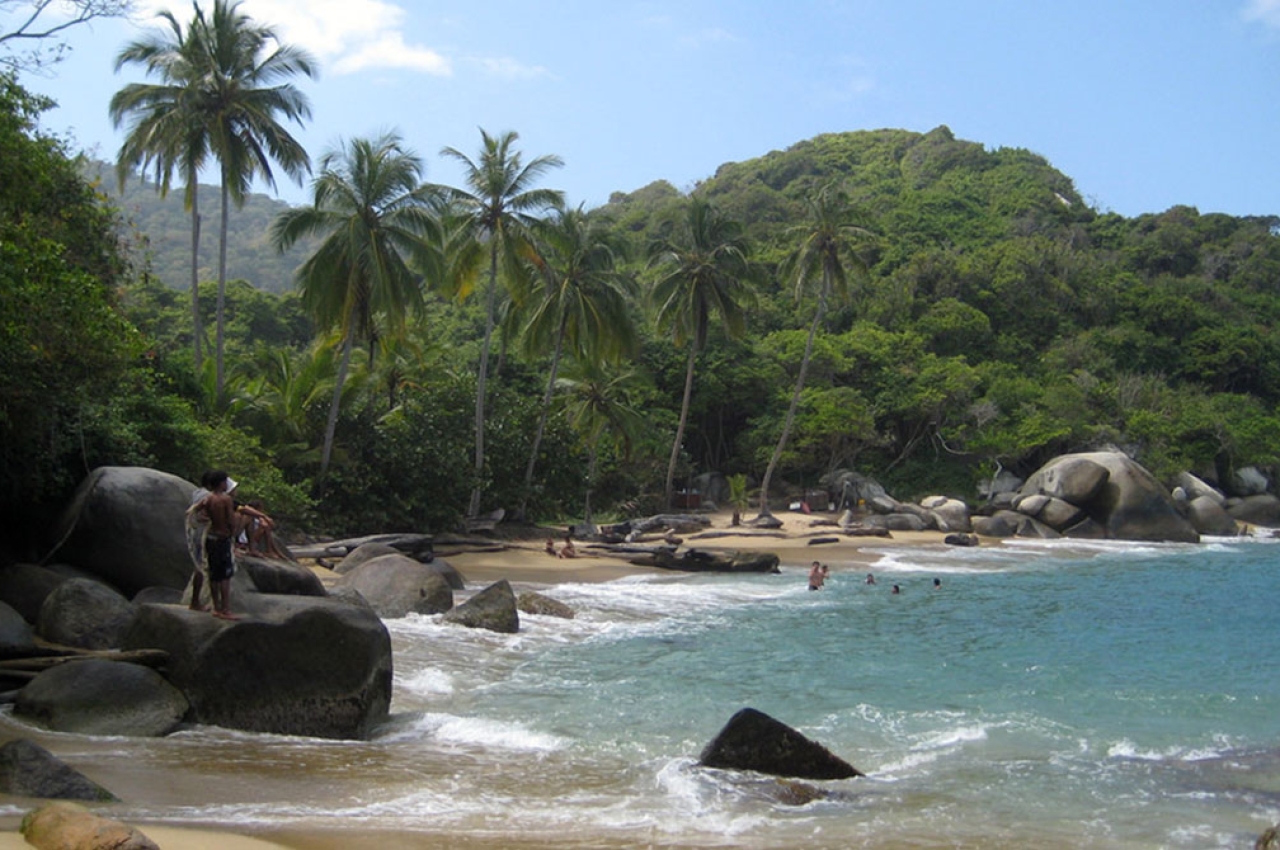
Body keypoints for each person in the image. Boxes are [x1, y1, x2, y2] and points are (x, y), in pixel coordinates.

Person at [201, 470, 240, 620]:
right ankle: (226, 609)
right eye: (225, 482)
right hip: (222, 538)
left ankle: (216, 607)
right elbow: (231, 520)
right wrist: (233, 532)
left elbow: (200, 514)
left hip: (211, 537)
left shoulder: (208, 499)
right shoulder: (225, 500)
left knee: (213, 575)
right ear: (222, 483)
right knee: (225, 576)